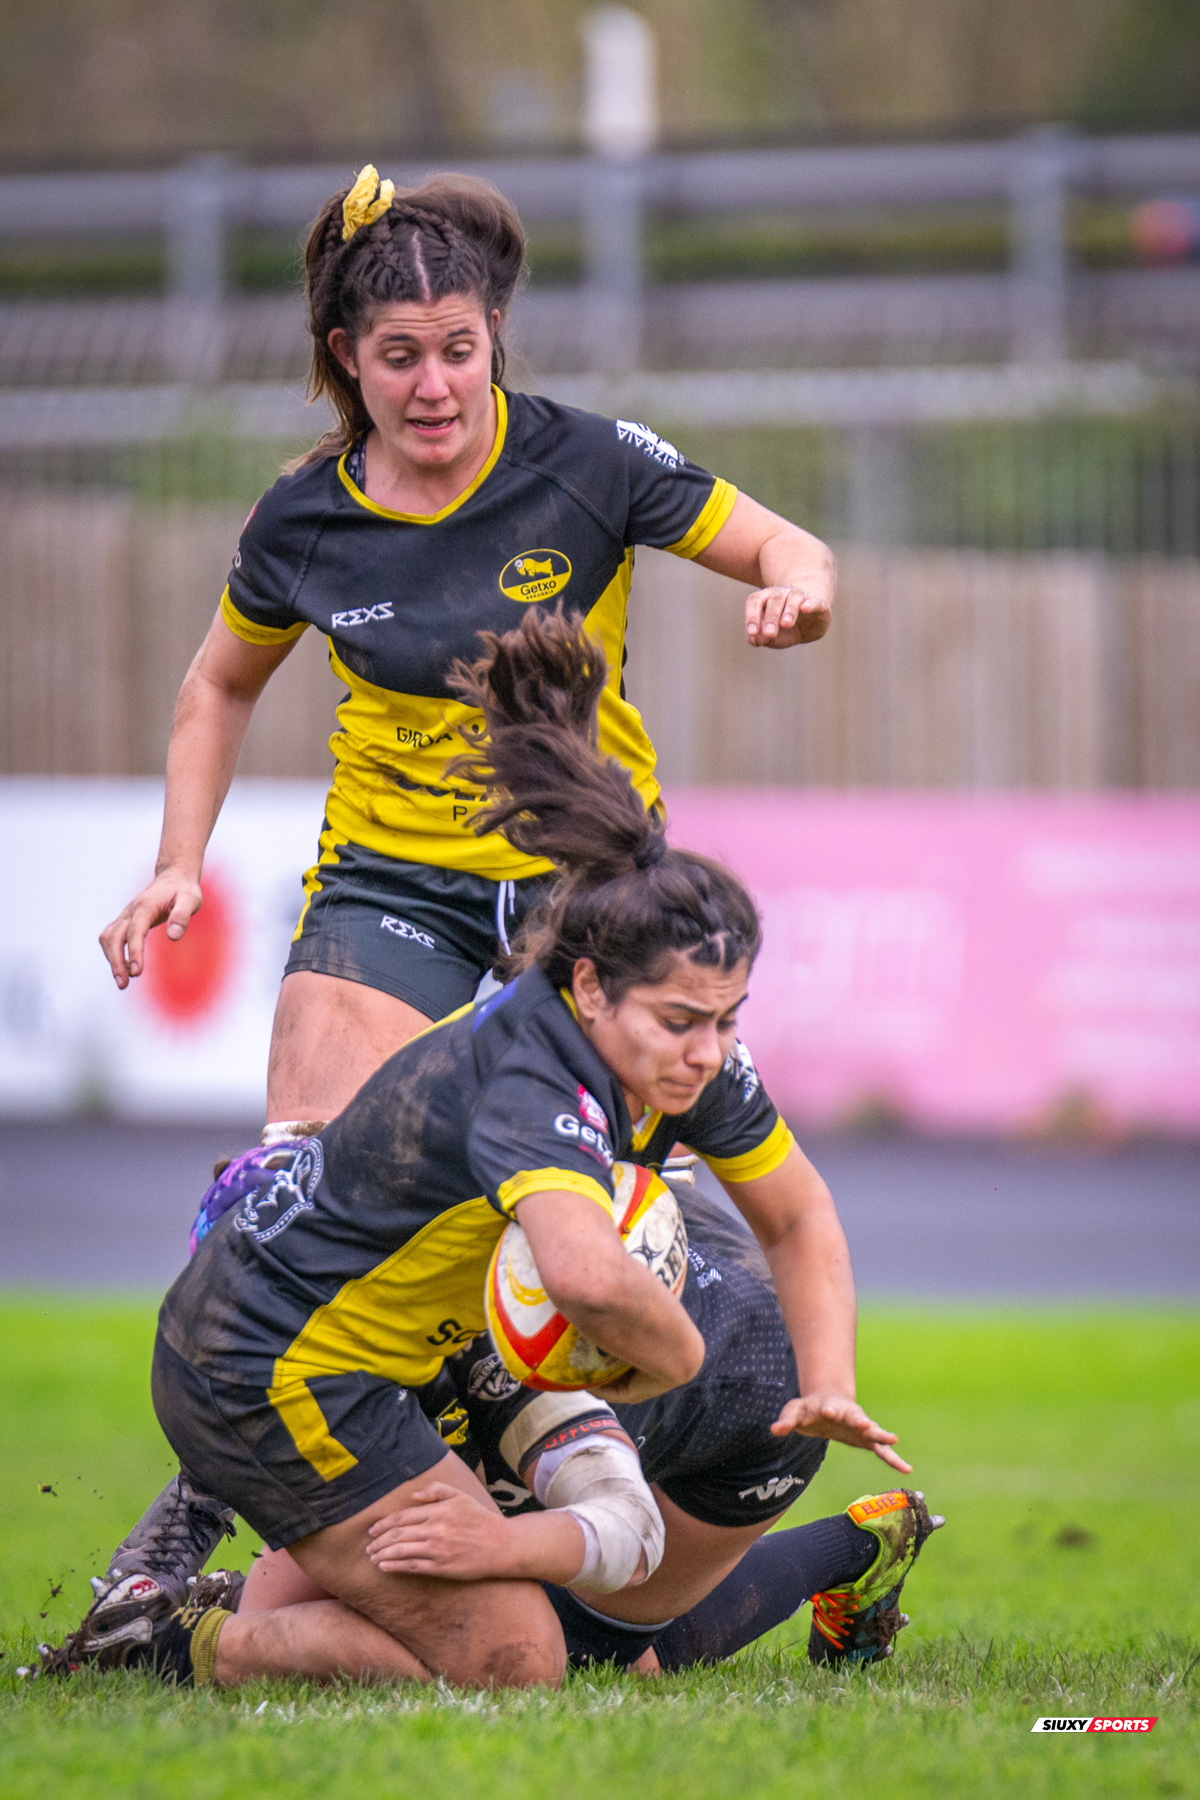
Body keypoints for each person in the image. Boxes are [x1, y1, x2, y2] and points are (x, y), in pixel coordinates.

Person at [45, 608, 900, 1692]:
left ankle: (205, 1618)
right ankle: (168, 1647)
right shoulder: (529, 1077)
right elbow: (588, 1278)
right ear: (589, 987)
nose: (711, 1053)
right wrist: (675, 1356)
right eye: (683, 1021)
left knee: (545, 1636)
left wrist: (827, 1382)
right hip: (265, 1370)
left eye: (729, 1019)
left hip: (383, 1369)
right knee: (515, 1657)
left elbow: (798, 1213)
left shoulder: (664, 1054)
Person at [97, 163, 836, 1134]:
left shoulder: (590, 464)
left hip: (591, 873)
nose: (435, 386)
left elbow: (790, 548)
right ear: (347, 355)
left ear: (493, 332)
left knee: (618, 1231)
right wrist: (178, 862)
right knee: (304, 1189)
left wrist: (803, 594)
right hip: (390, 877)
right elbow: (219, 687)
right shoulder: (303, 521)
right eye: (400, 356)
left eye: (458, 348)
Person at [43, 1185, 942, 1683]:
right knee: (407, 1586)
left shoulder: (502, 1336)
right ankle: (861, 1540)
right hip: (657, 1264)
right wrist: (138, 1581)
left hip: (751, 1409)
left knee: (600, 1659)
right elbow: (237, 1448)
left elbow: (623, 1530)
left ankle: (847, 1553)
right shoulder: (349, 1266)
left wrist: (500, 1538)